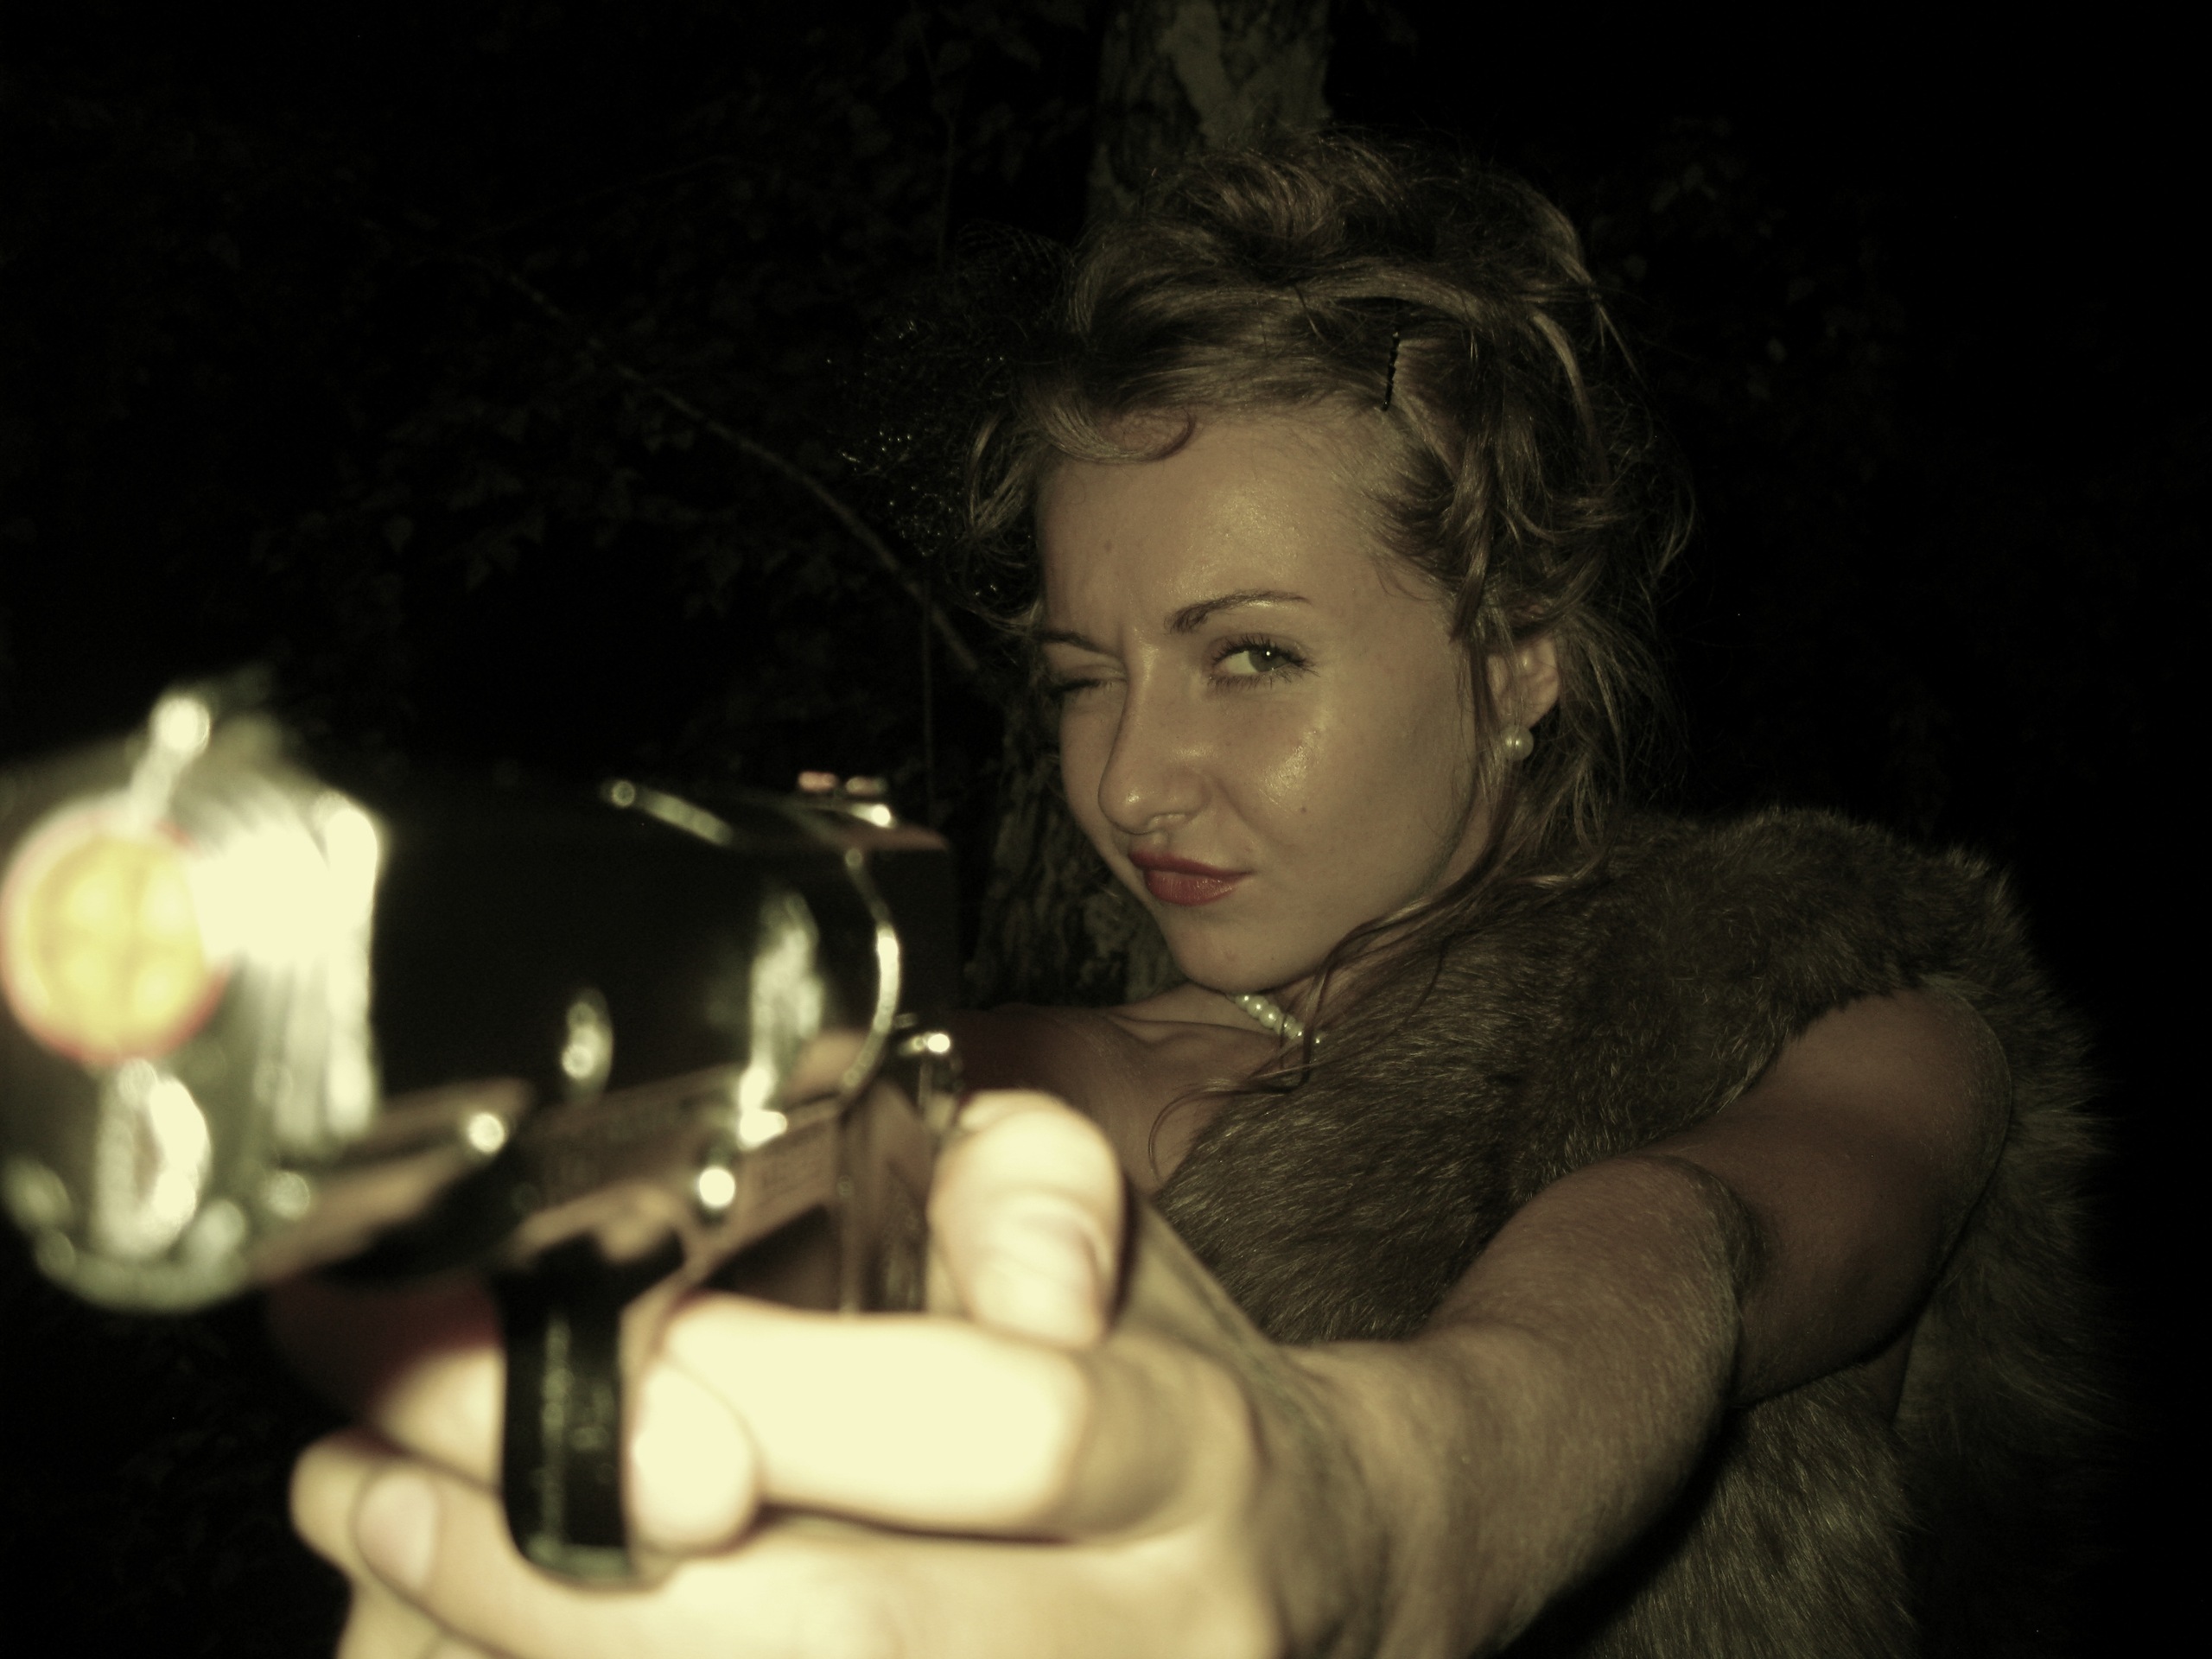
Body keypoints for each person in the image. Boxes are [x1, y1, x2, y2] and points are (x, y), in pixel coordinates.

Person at [276, 135, 2104, 1657]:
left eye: (1249, 657)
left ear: (1521, 652)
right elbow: (884, 1144)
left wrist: (1398, 1509)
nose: (1128, 780)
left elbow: (1698, 1241)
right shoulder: (1076, 1078)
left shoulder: (1821, 980)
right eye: (1085, 676)